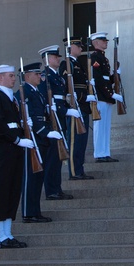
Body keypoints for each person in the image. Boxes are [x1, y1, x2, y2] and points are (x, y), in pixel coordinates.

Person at [0, 64, 33, 248]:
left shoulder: (12, 97)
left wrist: (24, 125)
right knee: (3, 189)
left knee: (13, 190)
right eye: (11, 76)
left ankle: (8, 233)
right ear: (1, 77)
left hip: (14, 148)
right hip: (4, 147)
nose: (14, 79)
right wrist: (17, 139)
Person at [20, 62, 60, 222]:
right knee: (31, 177)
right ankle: (28, 213)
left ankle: (35, 211)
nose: (40, 77)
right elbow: (30, 117)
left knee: (38, 177)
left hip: (42, 138)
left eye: (40, 74)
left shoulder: (37, 92)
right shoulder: (25, 93)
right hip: (33, 138)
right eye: (37, 74)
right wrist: (45, 132)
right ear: (28, 76)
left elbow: (42, 115)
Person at [40, 45, 74, 200]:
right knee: (53, 156)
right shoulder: (45, 76)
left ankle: (57, 187)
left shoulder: (58, 76)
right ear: (47, 59)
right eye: (55, 57)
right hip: (53, 119)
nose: (58, 59)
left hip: (60, 118)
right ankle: (51, 190)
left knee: (58, 155)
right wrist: (64, 111)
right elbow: (48, 101)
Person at [60, 37, 92, 180]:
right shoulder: (66, 64)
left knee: (82, 141)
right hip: (76, 105)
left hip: (83, 106)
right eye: (78, 46)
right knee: (74, 141)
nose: (80, 48)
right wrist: (82, 98)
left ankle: (79, 168)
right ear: (70, 47)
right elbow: (67, 88)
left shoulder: (77, 63)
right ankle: (74, 171)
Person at [89, 31, 122, 162]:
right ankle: (99, 154)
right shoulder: (95, 57)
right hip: (101, 96)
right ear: (96, 43)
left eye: (106, 41)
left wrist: (116, 76)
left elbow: (106, 79)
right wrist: (111, 94)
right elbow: (98, 79)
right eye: (103, 41)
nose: (106, 42)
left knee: (106, 127)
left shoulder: (104, 58)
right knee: (99, 126)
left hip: (106, 97)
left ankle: (105, 152)